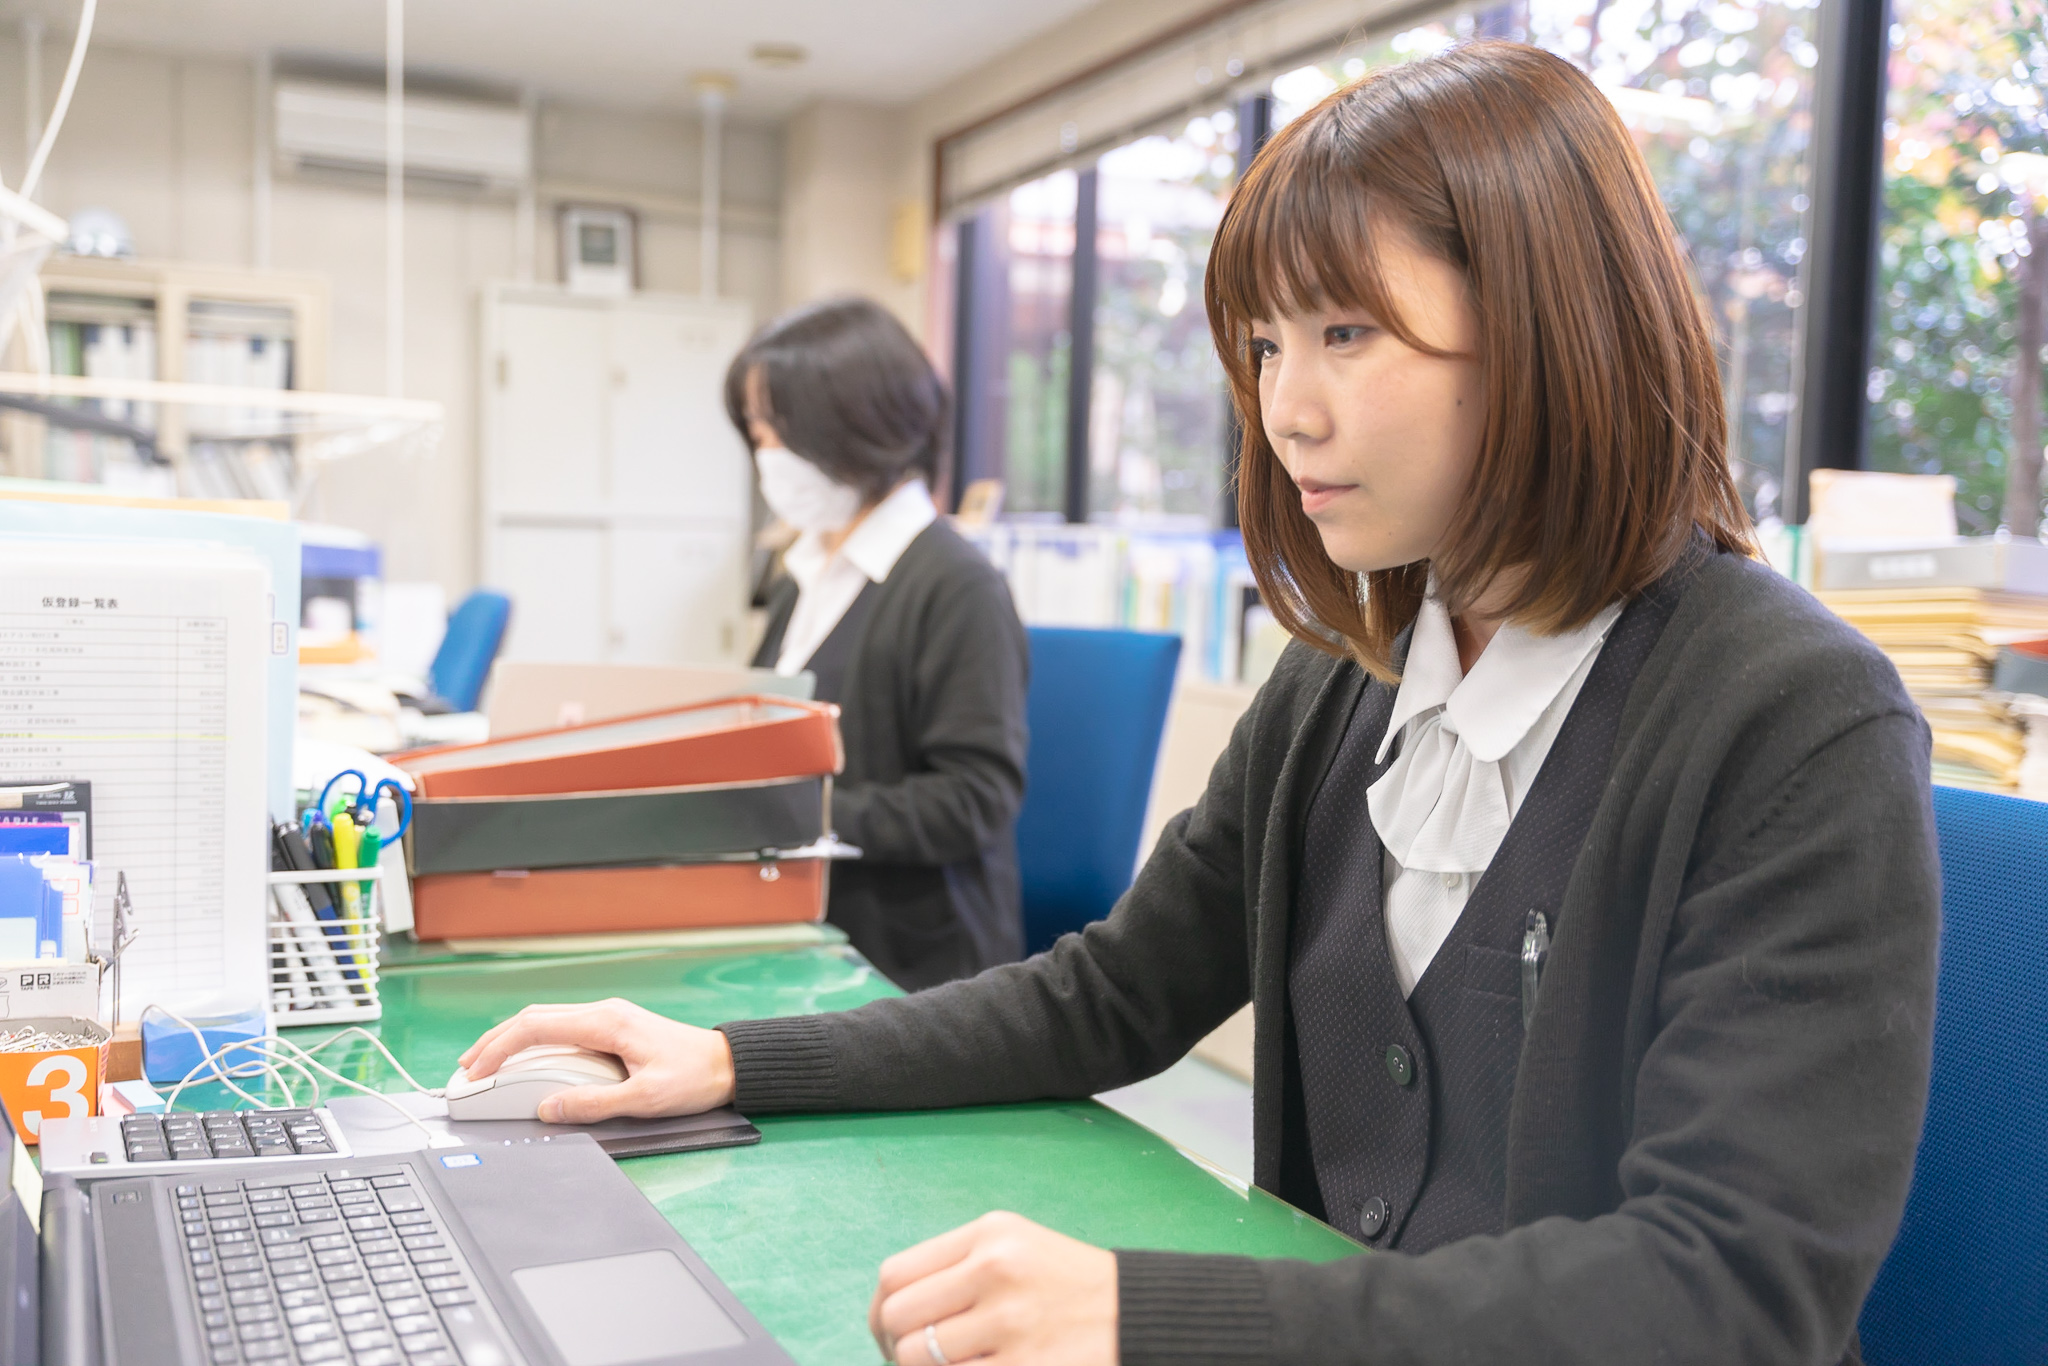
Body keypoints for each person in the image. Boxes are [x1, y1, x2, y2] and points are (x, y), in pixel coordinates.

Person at [458, 43, 1938, 1366]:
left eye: (1348, 335)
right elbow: (1113, 993)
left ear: (1556, 332)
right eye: (1268, 345)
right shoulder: (1346, 673)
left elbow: (1732, 1296)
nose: (1287, 408)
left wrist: (1147, 1315)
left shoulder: (1793, 718)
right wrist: (726, 1058)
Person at [730, 297, 1030, 990]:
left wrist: (799, 812)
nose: (764, 454)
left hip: (910, 968)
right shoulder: (801, 574)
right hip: (805, 930)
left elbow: (973, 799)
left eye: (775, 430)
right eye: (756, 430)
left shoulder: (957, 587)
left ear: (853, 428)